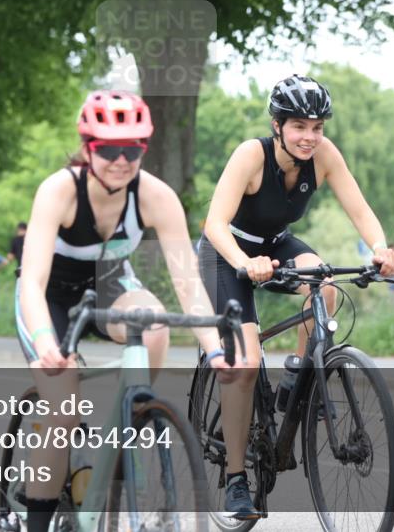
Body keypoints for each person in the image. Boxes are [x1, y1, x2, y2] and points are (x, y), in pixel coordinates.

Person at [16, 90, 233, 532]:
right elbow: (32, 283)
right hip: (51, 300)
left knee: (154, 327)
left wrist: (215, 351)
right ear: (86, 148)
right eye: (109, 149)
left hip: (109, 287)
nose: (121, 160)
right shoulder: (60, 190)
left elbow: (187, 283)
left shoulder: (155, 195)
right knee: (62, 407)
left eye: (133, 149)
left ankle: (127, 425)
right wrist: (44, 342)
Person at [199, 75, 394, 519]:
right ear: (277, 126)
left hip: (275, 242)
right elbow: (214, 223)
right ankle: (236, 480)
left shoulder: (324, 156)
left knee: (325, 286)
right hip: (224, 252)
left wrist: (380, 249)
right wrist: (242, 262)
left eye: (317, 127)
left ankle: (291, 389)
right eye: (299, 127)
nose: (310, 137)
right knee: (245, 363)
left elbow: (360, 208)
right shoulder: (251, 156)